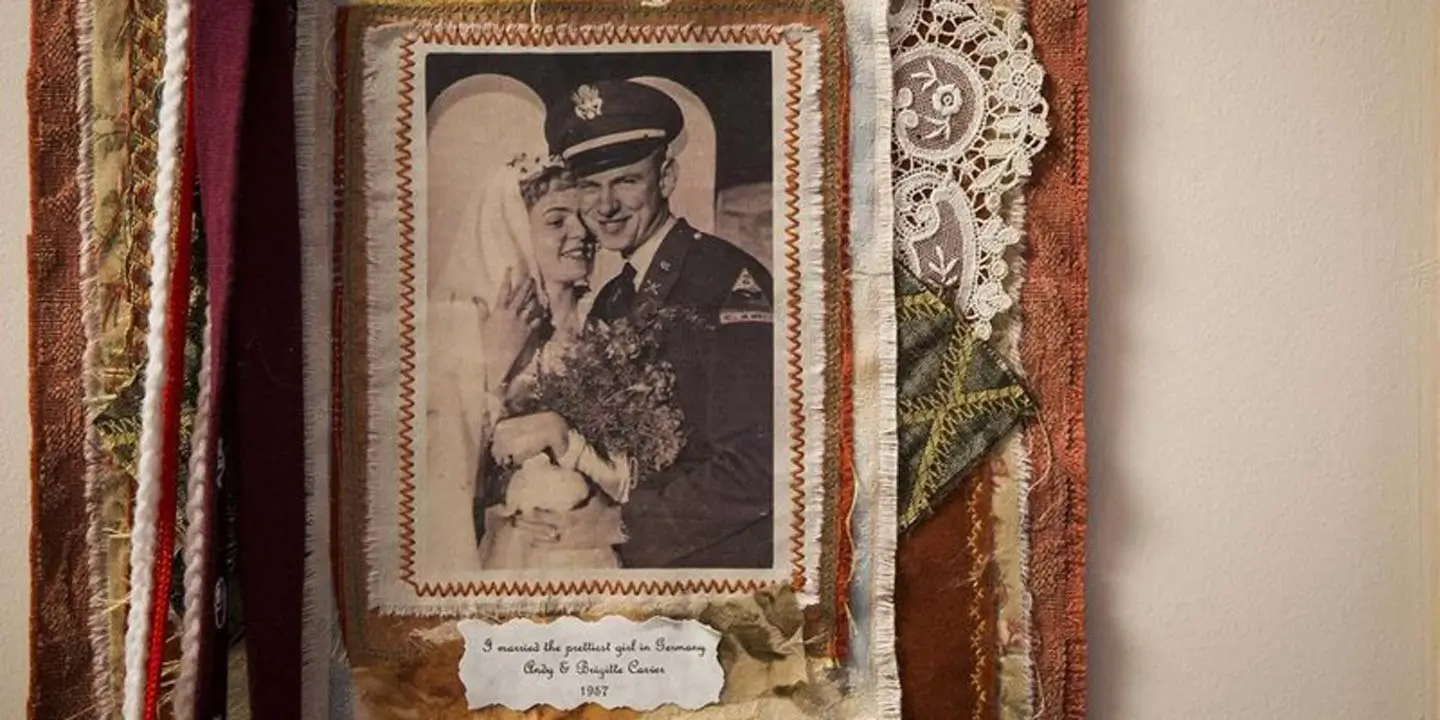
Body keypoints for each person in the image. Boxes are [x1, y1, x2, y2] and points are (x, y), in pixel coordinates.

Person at [495, 79, 776, 569]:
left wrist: (620, 525)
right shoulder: (611, 299)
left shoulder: (725, 278)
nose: (605, 206)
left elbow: (755, 467)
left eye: (626, 180)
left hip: (711, 566)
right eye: (589, 185)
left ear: (665, 178)